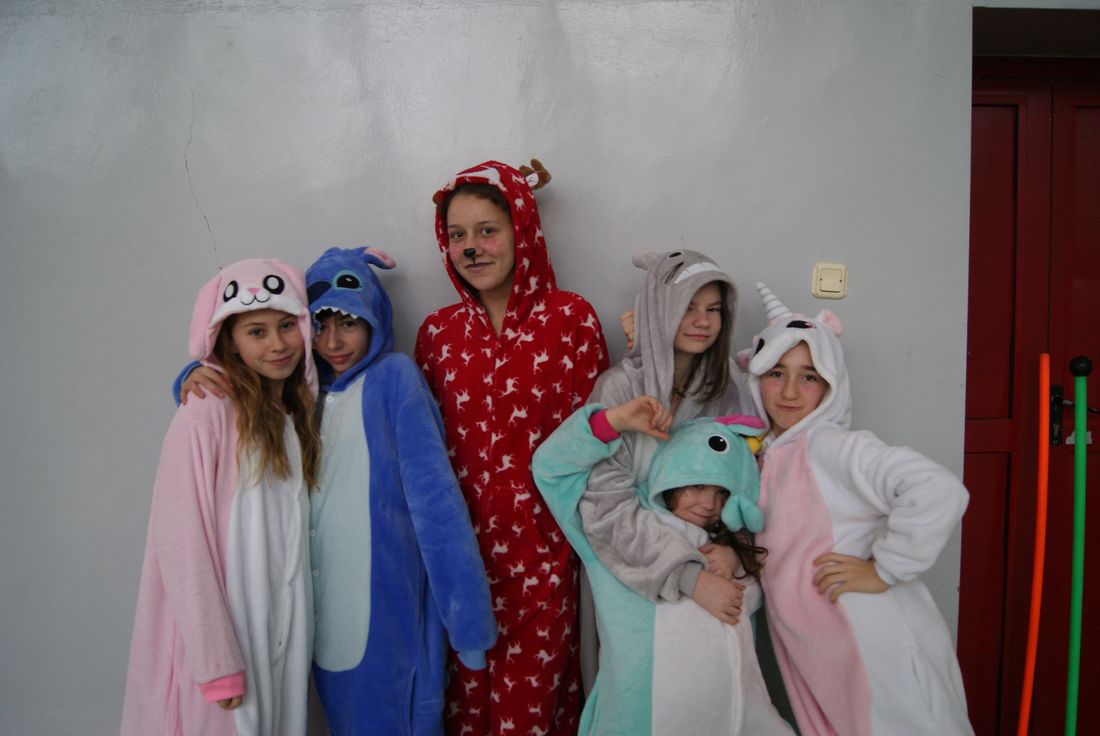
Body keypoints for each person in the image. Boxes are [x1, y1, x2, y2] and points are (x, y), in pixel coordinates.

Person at [179, 247, 497, 735]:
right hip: (319, 624)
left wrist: (467, 621)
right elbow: (242, 388)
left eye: (348, 322)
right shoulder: (301, 393)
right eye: (319, 324)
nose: (332, 342)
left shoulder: (394, 379)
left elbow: (437, 505)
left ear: (373, 317)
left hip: (391, 613)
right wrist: (193, 375)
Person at [414, 159, 608, 735]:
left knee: (534, 714)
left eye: (487, 230)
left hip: (546, 557)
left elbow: (599, 440)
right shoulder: (438, 334)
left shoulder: (571, 320)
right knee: (461, 709)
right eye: (457, 235)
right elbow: (419, 450)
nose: (471, 247)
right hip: (457, 561)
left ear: (522, 231)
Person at [741, 283, 973, 736]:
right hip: (820, 649)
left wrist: (885, 569)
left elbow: (937, 487)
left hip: (869, 640)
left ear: (831, 384)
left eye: (809, 376)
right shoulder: (771, 452)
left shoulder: (830, 445)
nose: (790, 391)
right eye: (776, 373)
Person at [121, 258, 321, 736]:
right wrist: (216, 663)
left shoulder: (296, 414)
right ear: (228, 340)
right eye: (256, 332)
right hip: (227, 641)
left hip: (280, 635)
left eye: (287, 326)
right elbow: (181, 542)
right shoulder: (206, 410)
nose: (277, 344)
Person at [532, 396, 796, 735]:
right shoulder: (625, 531)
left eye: (721, 494)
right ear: (671, 474)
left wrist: (735, 555)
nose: (708, 504)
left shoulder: (727, 547)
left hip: (730, 719)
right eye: (697, 486)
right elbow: (552, 468)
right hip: (642, 720)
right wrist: (612, 422)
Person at [577, 250, 755, 627]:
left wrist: (734, 550)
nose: (702, 322)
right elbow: (603, 505)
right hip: (632, 576)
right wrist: (688, 577)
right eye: (687, 307)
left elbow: (744, 486)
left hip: (714, 575)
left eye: (713, 309)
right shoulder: (619, 389)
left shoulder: (726, 392)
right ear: (660, 309)